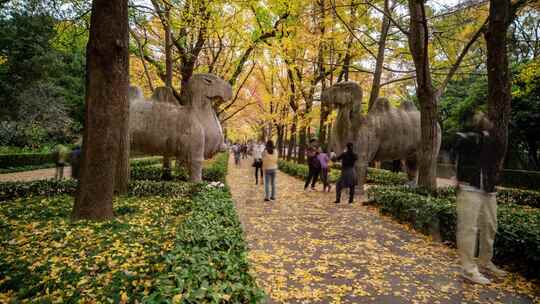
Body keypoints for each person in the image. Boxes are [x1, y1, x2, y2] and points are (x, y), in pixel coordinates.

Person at [453, 112, 507, 284]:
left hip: (489, 189)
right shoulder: (467, 138)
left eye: (485, 117)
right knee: (468, 229)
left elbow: (497, 159)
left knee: (491, 225)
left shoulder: (493, 140)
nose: (483, 119)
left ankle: (485, 261)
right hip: (469, 187)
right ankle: (468, 269)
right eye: (478, 117)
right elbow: (457, 151)